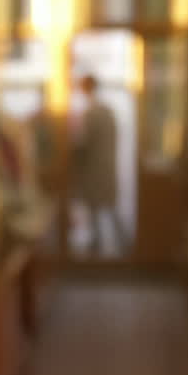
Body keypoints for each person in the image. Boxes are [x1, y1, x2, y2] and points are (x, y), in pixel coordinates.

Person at [74, 74, 122, 257]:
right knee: (107, 207)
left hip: (95, 168)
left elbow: (84, 142)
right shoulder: (107, 110)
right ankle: (106, 245)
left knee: (98, 208)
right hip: (106, 165)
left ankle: (99, 247)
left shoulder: (92, 112)